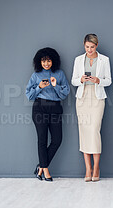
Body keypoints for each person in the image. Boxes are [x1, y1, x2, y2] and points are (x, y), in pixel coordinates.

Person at [26, 47, 70, 182]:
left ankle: (40, 167)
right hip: (40, 108)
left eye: (49, 61)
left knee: (57, 140)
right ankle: (46, 170)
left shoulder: (59, 74)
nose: (46, 64)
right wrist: (39, 87)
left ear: (53, 61)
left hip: (55, 108)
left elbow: (65, 93)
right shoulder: (36, 75)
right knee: (42, 139)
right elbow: (29, 95)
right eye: (43, 61)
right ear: (39, 62)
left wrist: (56, 85)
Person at [71, 34, 111, 182]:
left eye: (92, 47)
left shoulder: (104, 60)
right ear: (84, 45)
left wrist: (98, 80)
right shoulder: (78, 60)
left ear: (97, 45)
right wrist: (81, 79)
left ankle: (97, 167)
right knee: (84, 131)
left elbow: (109, 80)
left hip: (97, 97)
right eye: (87, 47)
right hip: (82, 97)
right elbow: (74, 80)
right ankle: (88, 168)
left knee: (94, 130)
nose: (89, 49)